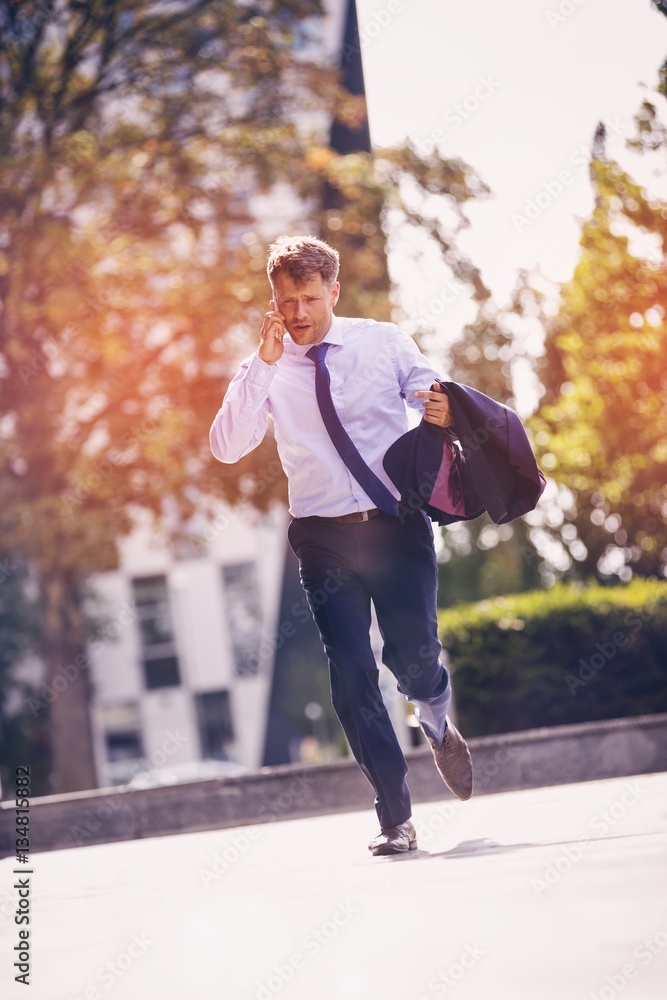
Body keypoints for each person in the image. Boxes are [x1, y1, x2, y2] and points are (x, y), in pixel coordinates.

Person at [209, 235, 473, 856]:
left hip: (394, 522)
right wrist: (265, 365)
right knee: (351, 673)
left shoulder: (380, 340)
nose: (298, 313)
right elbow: (226, 444)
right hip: (323, 535)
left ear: (333, 291)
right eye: (285, 300)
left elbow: (426, 390)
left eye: (308, 298)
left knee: (413, 659)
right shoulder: (264, 367)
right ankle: (396, 817)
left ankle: (434, 717)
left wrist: (438, 406)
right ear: (271, 301)